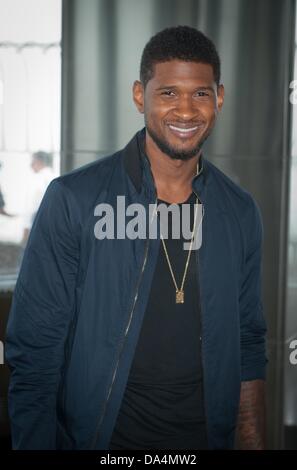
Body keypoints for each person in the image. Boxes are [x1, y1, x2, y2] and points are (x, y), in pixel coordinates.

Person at [5, 26, 267, 450]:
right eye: (168, 93)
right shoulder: (75, 200)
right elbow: (35, 354)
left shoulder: (239, 211)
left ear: (219, 97)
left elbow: (249, 342)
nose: (186, 110)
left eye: (200, 94)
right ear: (139, 96)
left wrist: (252, 439)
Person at [21, 151, 55, 245]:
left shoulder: (38, 178)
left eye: (33, 161)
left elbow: (32, 205)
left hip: (37, 221)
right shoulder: (55, 177)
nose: (31, 165)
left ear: (40, 161)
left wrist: (26, 229)